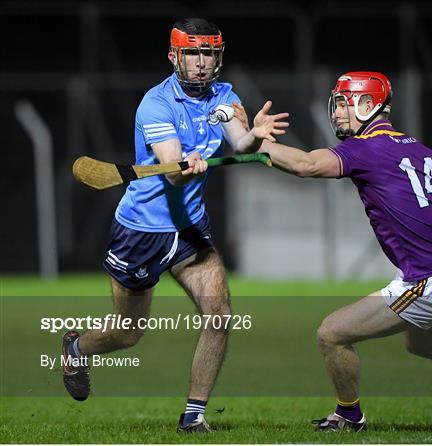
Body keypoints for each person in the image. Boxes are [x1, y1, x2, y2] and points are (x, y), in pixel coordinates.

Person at [244, 71, 432, 433]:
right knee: (424, 344)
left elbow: (306, 164)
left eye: (345, 104)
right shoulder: (419, 149)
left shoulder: (365, 149)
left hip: (429, 279)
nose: (338, 113)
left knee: (331, 334)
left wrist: (255, 143)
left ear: (368, 105)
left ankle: (349, 415)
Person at [61, 18, 288, 433]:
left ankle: (194, 416)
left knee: (218, 313)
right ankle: (76, 346)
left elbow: (237, 141)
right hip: (141, 232)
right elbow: (170, 168)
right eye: (192, 54)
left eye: (208, 54)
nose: (201, 63)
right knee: (128, 333)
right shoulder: (156, 103)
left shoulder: (224, 94)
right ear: (174, 56)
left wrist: (254, 135)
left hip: (189, 230)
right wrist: (185, 165)